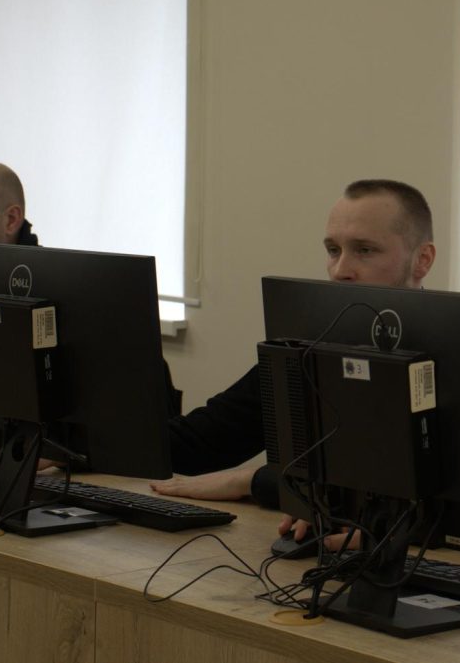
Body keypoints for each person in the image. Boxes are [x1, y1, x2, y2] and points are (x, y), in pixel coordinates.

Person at [150, 179, 437, 518]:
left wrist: (251, 480)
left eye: (364, 250)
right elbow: (204, 441)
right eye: (333, 250)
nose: (340, 271)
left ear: (422, 260)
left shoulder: (454, 354)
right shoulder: (314, 343)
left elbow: (428, 492)